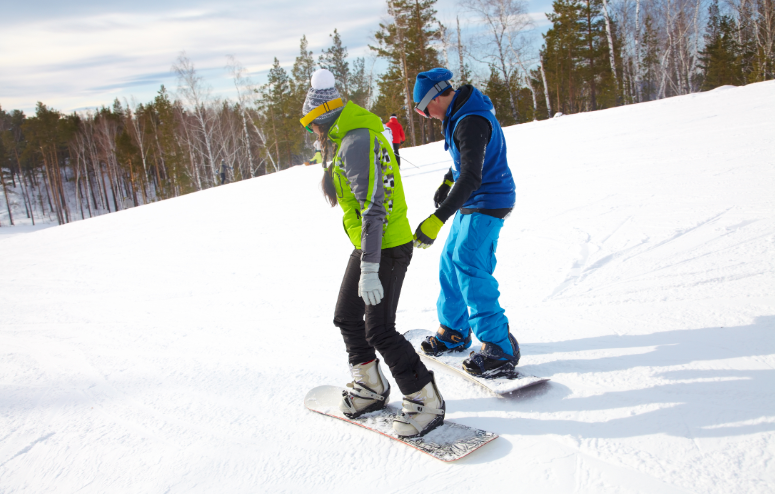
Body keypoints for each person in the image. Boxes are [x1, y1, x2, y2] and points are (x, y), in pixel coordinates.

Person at [299, 68, 445, 438]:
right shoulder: (347, 137)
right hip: (369, 245)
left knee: (379, 330)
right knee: (347, 317)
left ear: (324, 116)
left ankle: (425, 399)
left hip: (386, 246)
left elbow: (373, 208)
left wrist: (369, 267)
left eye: (311, 124)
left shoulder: (356, 140)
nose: (311, 132)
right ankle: (371, 386)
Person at [410, 68, 520, 378]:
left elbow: (473, 175)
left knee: (469, 263)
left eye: (422, 108)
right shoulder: (461, 114)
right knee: (450, 260)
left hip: (489, 199)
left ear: (434, 98)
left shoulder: (470, 120)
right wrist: (448, 180)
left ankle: (500, 346)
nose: (425, 116)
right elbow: (465, 161)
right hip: (474, 198)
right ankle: (455, 330)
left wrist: (437, 218)